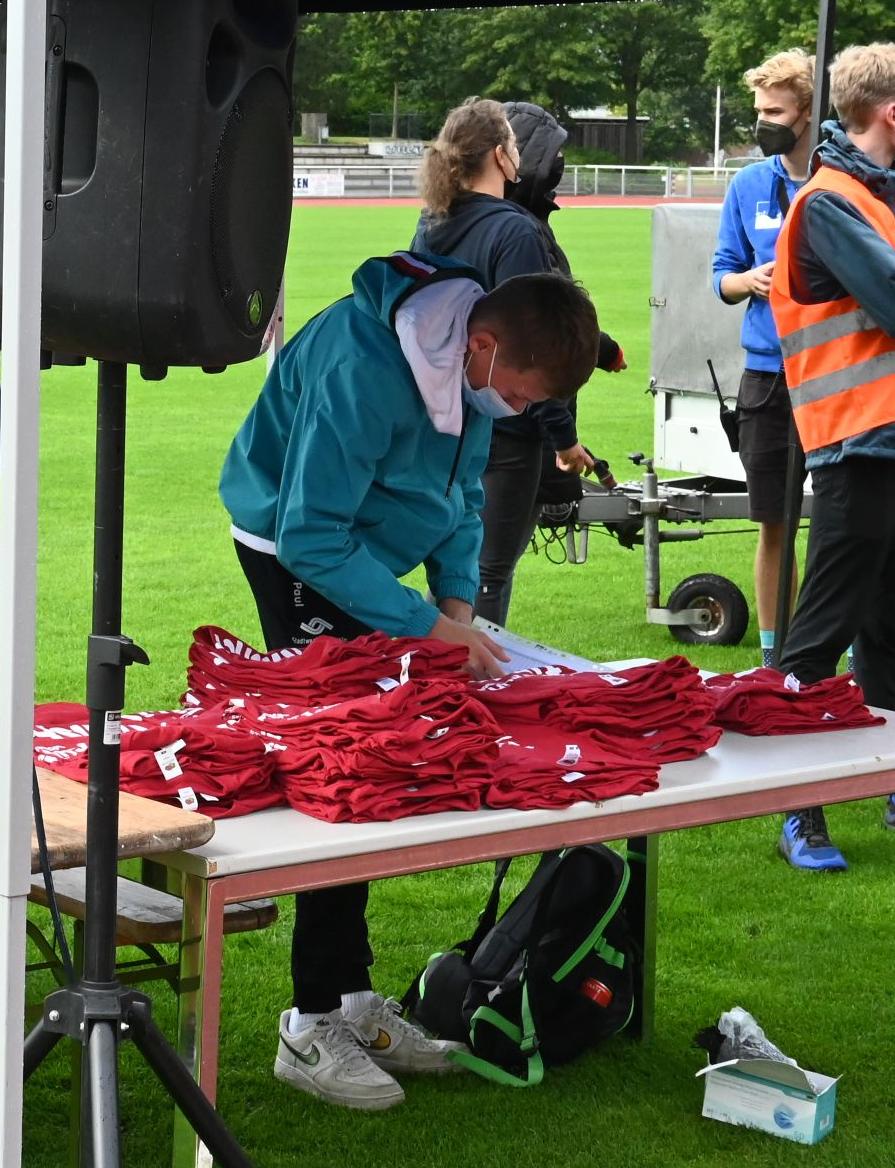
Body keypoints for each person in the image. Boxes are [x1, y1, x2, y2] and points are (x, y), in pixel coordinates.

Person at [219, 255, 607, 1110]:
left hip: (359, 551)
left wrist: (457, 603)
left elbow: (460, 496)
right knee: (344, 769)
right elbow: (312, 537)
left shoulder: (466, 363)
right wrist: (425, 626)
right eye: (520, 394)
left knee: (380, 765)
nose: (518, 412)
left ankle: (352, 998)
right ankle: (311, 1020)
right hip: (294, 556)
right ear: (483, 346)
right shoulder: (361, 367)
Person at [769, 42, 895, 873]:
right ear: (894, 113)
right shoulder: (829, 203)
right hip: (856, 450)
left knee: (891, 631)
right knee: (817, 642)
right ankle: (796, 807)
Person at [409, 99, 607, 625]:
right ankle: (464, 672)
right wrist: (563, 438)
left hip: (444, 418)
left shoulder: (432, 221)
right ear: (500, 154)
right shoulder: (515, 231)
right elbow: (535, 346)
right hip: (507, 428)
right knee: (485, 574)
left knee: (455, 571)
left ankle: (435, 667)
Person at [710, 51, 813, 652]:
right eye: (760, 110)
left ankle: (842, 657)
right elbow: (721, 275)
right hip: (767, 377)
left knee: (838, 525)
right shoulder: (747, 185)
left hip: (834, 375)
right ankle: (775, 654)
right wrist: (747, 281)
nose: (763, 122)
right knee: (774, 523)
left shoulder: (843, 181)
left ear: (809, 111)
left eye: (775, 111)